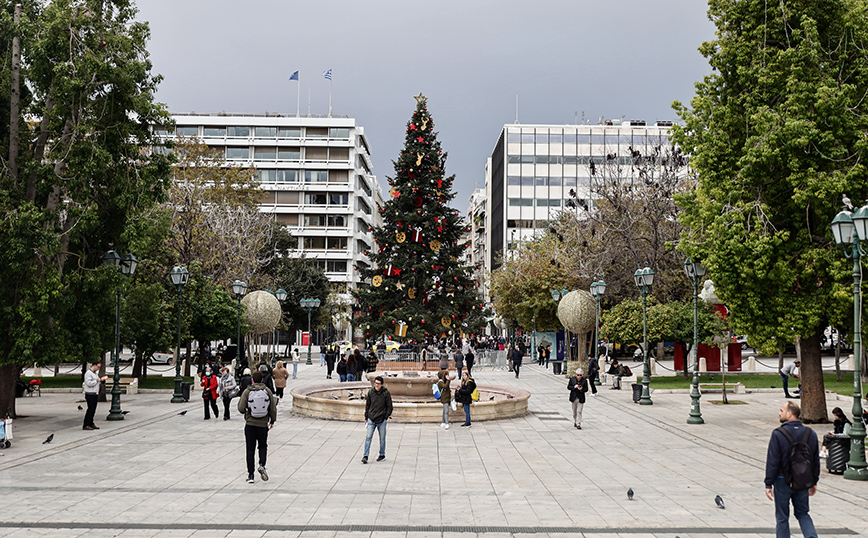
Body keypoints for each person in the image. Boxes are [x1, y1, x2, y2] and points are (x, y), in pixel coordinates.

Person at [764, 401, 819, 538]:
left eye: (781, 410)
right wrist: (814, 481)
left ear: (789, 414)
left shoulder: (778, 434)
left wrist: (768, 483)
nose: (779, 413)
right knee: (803, 513)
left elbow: (773, 460)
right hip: (803, 480)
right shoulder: (810, 433)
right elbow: (815, 460)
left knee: (782, 517)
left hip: (782, 480)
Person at [238, 370, 277, 484]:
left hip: (250, 424)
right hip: (263, 424)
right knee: (263, 446)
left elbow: (240, 408)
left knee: (250, 449)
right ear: (262, 379)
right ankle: (262, 465)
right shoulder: (267, 391)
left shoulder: (247, 391)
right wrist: (272, 420)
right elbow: (273, 408)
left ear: (252, 380)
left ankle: (250, 475)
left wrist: (247, 412)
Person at [361, 375, 393, 464]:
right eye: (375, 383)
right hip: (371, 418)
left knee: (382, 439)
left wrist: (386, 417)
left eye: (378, 384)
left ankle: (382, 454)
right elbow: (368, 405)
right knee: (368, 437)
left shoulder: (386, 393)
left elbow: (389, 406)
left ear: (382, 384)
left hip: (381, 420)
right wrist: (366, 417)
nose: (376, 385)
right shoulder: (371, 392)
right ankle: (365, 456)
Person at [83, 361, 107, 430]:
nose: (98, 368)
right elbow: (88, 383)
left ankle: (91, 423)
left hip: (95, 393)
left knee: (93, 409)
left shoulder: (95, 373)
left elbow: (98, 380)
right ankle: (86, 424)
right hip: (90, 393)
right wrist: (97, 380)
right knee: (90, 409)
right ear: (94, 365)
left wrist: (102, 380)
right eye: (98, 367)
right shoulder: (88, 373)